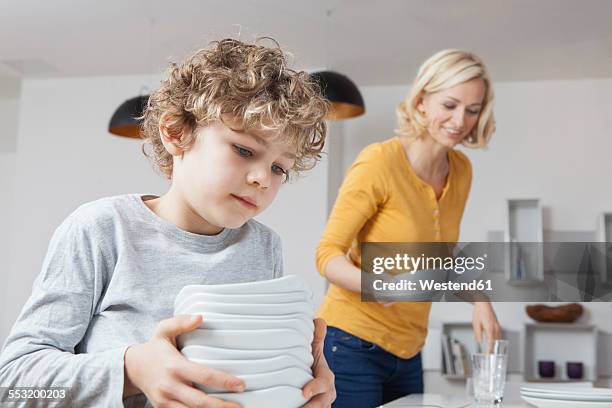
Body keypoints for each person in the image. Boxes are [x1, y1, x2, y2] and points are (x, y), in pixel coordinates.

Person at [0, 38, 335, 408]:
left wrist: (301, 379)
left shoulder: (264, 246)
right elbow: (14, 384)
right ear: (176, 133)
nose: (263, 179)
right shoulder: (102, 229)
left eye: (279, 168)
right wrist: (131, 369)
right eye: (243, 150)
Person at [315, 49, 502, 407]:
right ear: (421, 102)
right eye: (449, 105)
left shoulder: (461, 170)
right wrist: (378, 285)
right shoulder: (379, 162)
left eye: (472, 110)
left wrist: (481, 301)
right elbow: (327, 255)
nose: (460, 119)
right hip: (350, 342)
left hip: (410, 349)